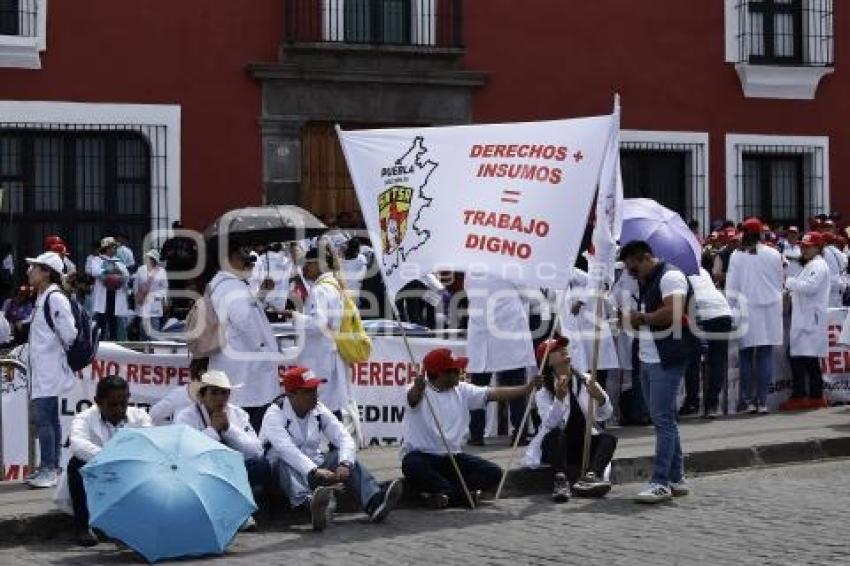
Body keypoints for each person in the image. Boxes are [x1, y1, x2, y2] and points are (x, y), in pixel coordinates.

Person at [260, 367, 403, 531]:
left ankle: (374, 502)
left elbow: (344, 437)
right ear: (291, 394)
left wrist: (345, 464)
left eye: (315, 389)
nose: (314, 395)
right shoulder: (274, 414)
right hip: (280, 476)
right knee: (282, 461)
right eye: (308, 391)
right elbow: (285, 449)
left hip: (315, 469)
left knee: (341, 457)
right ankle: (310, 505)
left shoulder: (319, 409)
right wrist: (314, 470)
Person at [400, 348, 538, 509]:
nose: (461, 372)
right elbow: (412, 398)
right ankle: (461, 496)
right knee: (411, 464)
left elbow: (495, 393)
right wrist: (418, 389)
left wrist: (527, 388)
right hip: (423, 456)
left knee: (493, 472)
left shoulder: (462, 389)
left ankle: (443, 495)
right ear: (442, 373)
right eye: (456, 369)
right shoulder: (419, 390)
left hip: (453, 457)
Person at [620, 240, 696, 504]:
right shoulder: (648, 280)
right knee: (665, 419)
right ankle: (676, 477)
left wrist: (642, 317)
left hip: (667, 357)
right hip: (651, 356)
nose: (632, 274)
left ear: (644, 258)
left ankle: (661, 481)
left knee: (662, 420)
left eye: (633, 268)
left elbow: (672, 313)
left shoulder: (671, 276)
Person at [522, 337, 616, 503]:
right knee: (556, 435)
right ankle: (561, 481)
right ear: (548, 361)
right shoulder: (543, 392)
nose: (563, 349)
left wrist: (601, 398)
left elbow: (606, 414)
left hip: (583, 442)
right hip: (559, 446)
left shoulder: (586, 379)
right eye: (556, 349)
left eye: (564, 347)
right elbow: (549, 424)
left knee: (608, 439)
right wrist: (559, 399)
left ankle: (591, 476)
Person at [62, 375, 152, 546]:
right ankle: (83, 527)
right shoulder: (84, 418)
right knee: (76, 464)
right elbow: (78, 445)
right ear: (97, 401)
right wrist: (110, 458)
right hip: (98, 473)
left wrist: (122, 460)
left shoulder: (140, 416)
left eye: (123, 404)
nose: (119, 409)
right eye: (112, 405)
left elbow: (148, 442)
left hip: (128, 473)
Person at [175, 370, 271, 520]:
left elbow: (256, 451)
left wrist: (229, 429)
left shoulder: (238, 414)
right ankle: (239, 511)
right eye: (214, 393)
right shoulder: (185, 417)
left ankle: (235, 508)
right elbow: (186, 452)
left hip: (234, 469)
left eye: (225, 393)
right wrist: (212, 431)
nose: (220, 398)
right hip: (203, 471)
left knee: (262, 466)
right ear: (202, 395)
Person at [207, 238, 281, 432]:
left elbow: (245, 315)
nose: (249, 260)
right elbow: (245, 321)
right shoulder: (231, 287)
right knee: (251, 429)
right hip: (247, 373)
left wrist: (262, 294)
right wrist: (267, 351)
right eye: (242, 255)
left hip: (241, 370)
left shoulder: (228, 285)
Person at [23, 252, 78, 490]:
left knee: (44, 420)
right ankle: (52, 466)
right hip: (44, 370)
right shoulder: (44, 297)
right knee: (50, 420)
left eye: (34, 267)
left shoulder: (54, 298)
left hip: (49, 370)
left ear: (46, 272)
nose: (29, 271)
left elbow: (70, 334)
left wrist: (54, 353)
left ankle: (49, 469)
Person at [464, 271, 536, 446]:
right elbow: (529, 294)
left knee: (478, 388)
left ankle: (476, 435)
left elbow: (468, 291)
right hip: (507, 333)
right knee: (516, 387)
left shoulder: (471, 270)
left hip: (481, 333)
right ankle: (519, 433)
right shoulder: (509, 266)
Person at [725, 218, 784, 414]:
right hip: (769, 306)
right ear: (760, 234)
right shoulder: (774, 253)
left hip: (746, 307)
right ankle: (763, 401)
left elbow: (731, 285)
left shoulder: (737, 255)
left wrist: (730, 307)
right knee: (765, 353)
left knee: (746, 354)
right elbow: (779, 282)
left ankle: (748, 400)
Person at [284, 243, 350, 420]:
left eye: (307, 265)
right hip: (328, 353)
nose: (304, 270)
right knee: (330, 405)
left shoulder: (321, 289)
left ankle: (329, 444)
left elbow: (317, 324)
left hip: (320, 356)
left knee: (320, 406)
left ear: (318, 265)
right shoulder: (334, 286)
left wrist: (295, 316)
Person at [780, 232, 831, 411]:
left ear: (818, 247)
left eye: (808, 246)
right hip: (806, 318)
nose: (804, 249)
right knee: (807, 358)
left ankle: (801, 395)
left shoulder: (818, 265)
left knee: (799, 357)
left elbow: (810, 287)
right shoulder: (812, 264)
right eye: (803, 246)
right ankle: (815, 395)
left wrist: (789, 282)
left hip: (809, 320)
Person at [680, 268, 733, 418]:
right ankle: (711, 405)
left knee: (692, 360)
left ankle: (692, 403)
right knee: (717, 361)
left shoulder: (677, 273)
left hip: (701, 314)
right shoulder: (702, 270)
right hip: (722, 312)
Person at [90, 237, 130, 341]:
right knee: (101, 320)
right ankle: (100, 343)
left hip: (114, 294)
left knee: (114, 321)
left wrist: (118, 275)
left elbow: (126, 275)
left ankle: (113, 342)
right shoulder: (97, 260)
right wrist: (110, 271)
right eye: (113, 247)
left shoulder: (119, 261)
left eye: (115, 247)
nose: (115, 249)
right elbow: (95, 272)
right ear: (106, 248)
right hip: (103, 295)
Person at [133, 249, 169, 339]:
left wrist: (154, 295)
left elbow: (164, 288)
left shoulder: (161, 271)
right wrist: (138, 296)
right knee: (143, 331)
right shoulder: (141, 269)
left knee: (154, 330)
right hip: (143, 303)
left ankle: (154, 350)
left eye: (151, 258)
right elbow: (136, 285)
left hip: (154, 304)